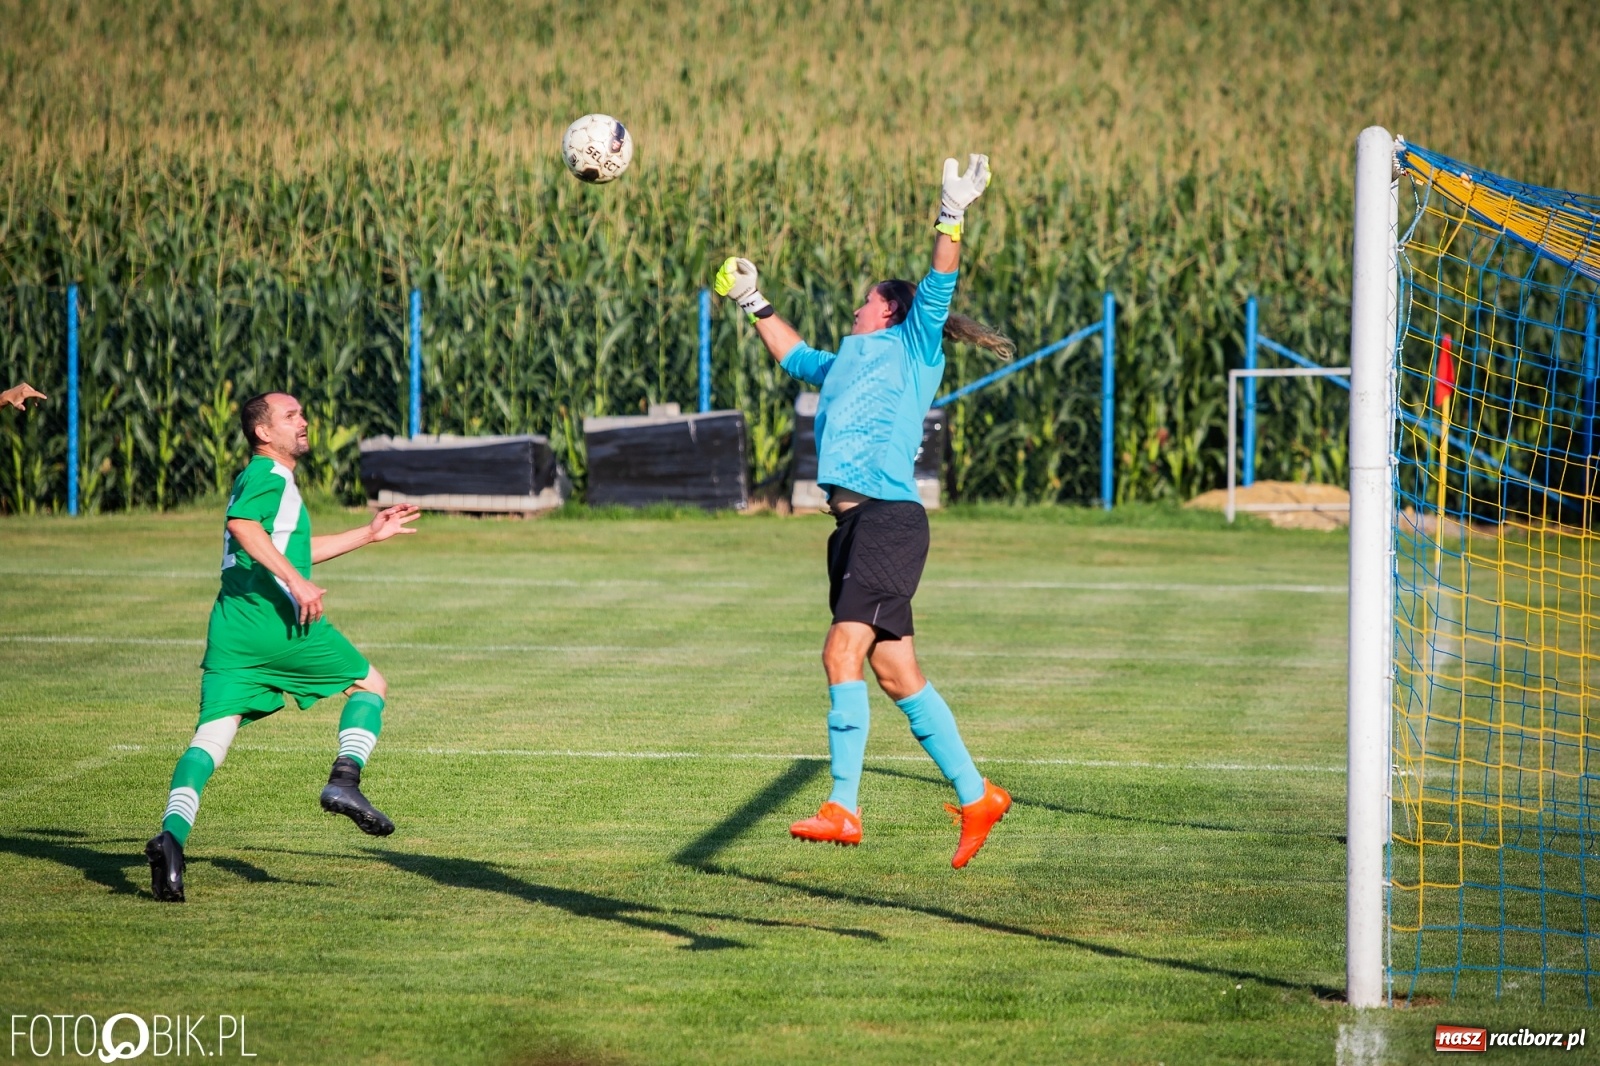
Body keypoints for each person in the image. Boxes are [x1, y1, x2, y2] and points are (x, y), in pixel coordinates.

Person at [714, 154, 1016, 868]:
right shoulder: (846, 360)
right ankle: (977, 796)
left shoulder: (912, 344)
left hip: (886, 517)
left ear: (890, 310)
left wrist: (951, 213)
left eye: (864, 301)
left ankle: (843, 808)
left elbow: (940, 282)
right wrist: (753, 300)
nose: (855, 309)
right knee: (897, 673)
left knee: (839, 652)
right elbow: (794, 356)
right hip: (854, 526)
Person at [146, 392, 420, 902]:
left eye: (301, 414)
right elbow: (243, 526)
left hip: (232, 627)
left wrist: (368, 534)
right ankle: (344, 779)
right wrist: (296, 582)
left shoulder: (263, 479)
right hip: (274, 620)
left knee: (212, 738)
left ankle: (171, 837)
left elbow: (286, 547)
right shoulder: (269, 474)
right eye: (290, 416)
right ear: (263, 433)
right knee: (370, 685)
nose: (303, 421)